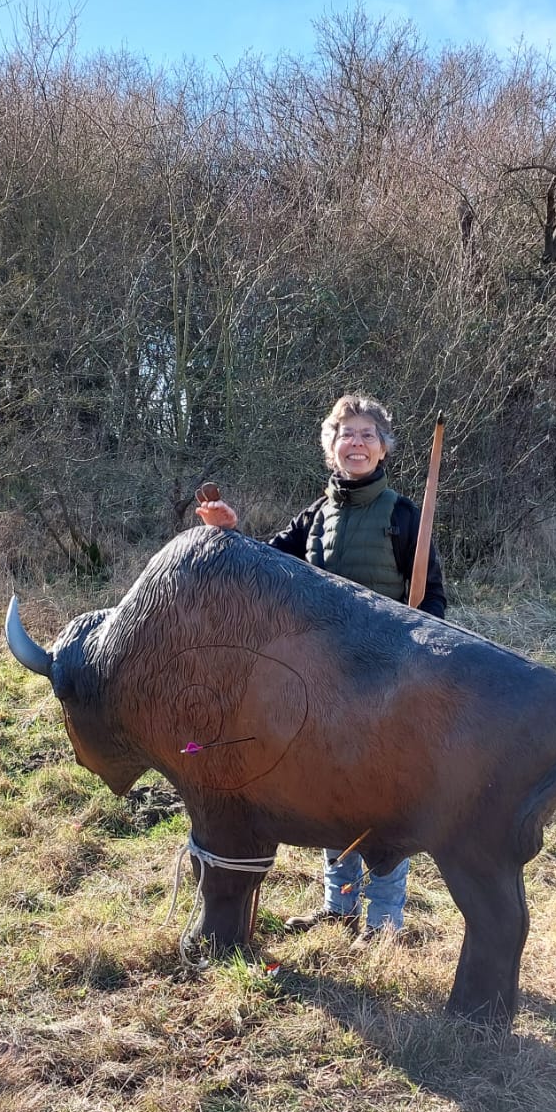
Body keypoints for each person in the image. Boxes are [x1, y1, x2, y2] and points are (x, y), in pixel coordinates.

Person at [195, 393, 446, 944]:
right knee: (330, 793)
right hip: (319, 681)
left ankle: (385, 921)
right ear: (331, 447)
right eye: (346, 434)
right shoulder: (313, 516)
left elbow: (434, 608)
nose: (355, 443)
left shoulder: (405, 517)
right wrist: (227, 530)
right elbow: (261, 566)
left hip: (383, 682)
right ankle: (339, 907)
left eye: (366, 435)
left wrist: (412, 657)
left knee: (384, 803)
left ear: (382, 449)